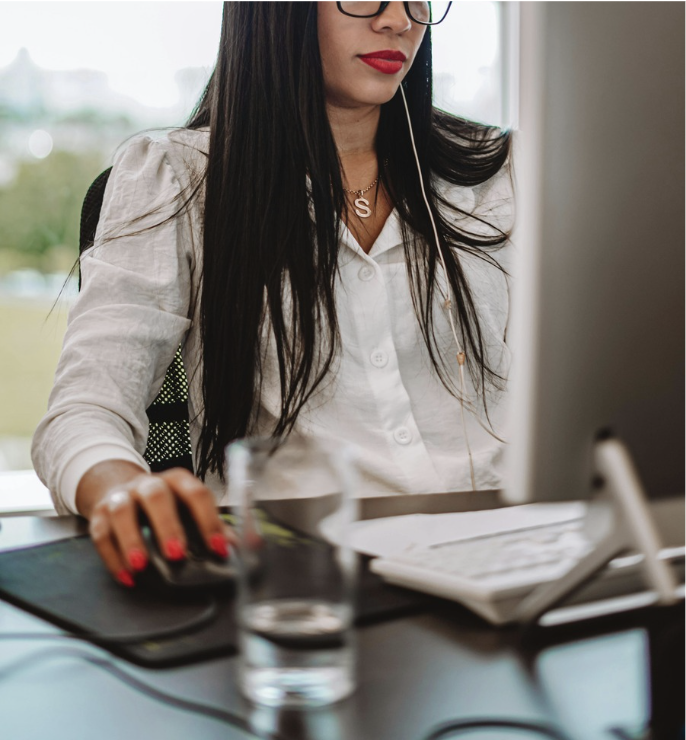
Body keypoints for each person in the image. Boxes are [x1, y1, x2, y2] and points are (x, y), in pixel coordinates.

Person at [32, 2, 513, 587]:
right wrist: (120, 489)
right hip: (302, 582)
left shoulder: (499, 175)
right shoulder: (181, 179)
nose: (398, 20)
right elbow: (84, 413)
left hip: (507, 553)